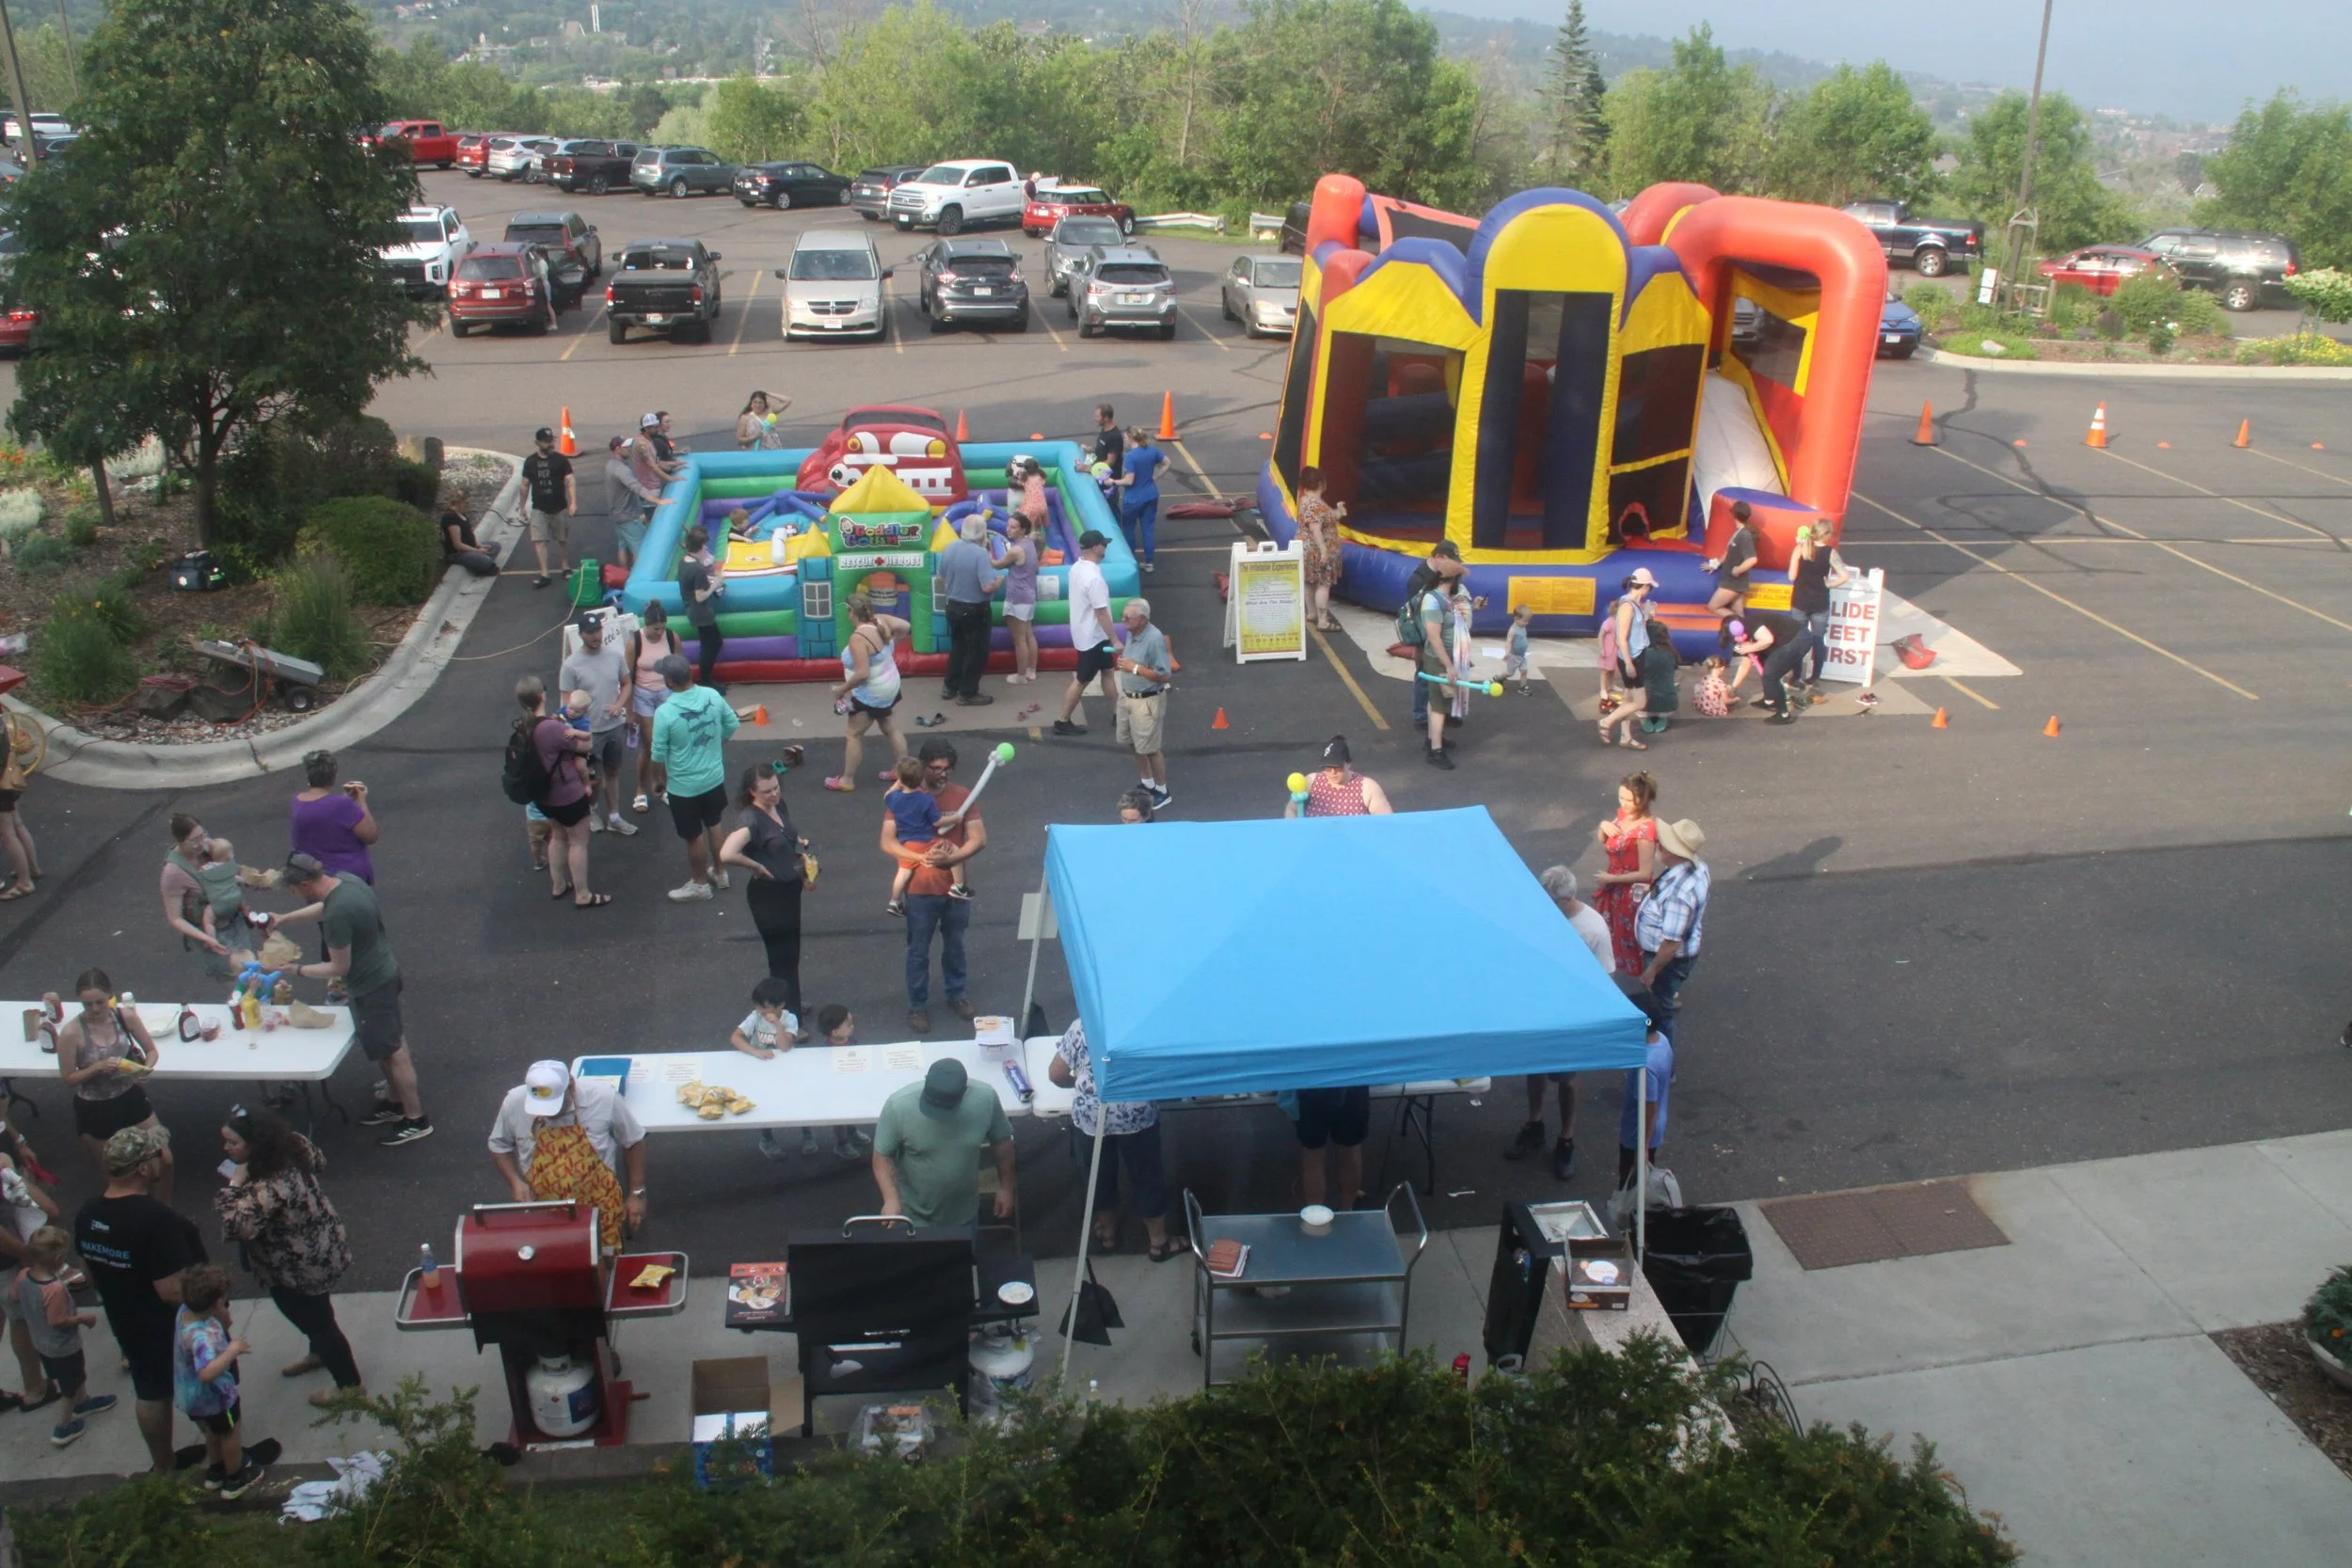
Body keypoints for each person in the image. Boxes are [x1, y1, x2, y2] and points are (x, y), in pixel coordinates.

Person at [74, 1123, 205, 1474]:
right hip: (166, 1323)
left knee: (149, 1392)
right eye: (157, 1153)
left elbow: (90, 1271)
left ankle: (163, 1466)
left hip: (124, 1318)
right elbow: (172, 1290)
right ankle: (226, 1457)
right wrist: (210, 1316)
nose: (164, 1157)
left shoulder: (89, 1214)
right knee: (201, 1388)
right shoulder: (157, 1219)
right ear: (143, 1168)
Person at [280, 851, 432, 1146]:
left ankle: (416, 1119)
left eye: (294, 889)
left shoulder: (339, 915)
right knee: (384, 1046)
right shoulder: (348, 884)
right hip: (382, 972)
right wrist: (284, 920)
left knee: (394, 1050)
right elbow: (323, 908)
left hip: (371, 985)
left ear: (306, 885)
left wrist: (295, 969)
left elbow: (338, 967)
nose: (295, 894)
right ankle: (395, 1100)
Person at [215, 1105, 358, 1408]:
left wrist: (234, 1185)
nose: (225, 1149)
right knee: (319, 1311)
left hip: (296, 1266)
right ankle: (319, 1352)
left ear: (254, 1145)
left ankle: (349, 1386)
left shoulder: (269, 1185)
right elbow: (319, 1160)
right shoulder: (291, 1147)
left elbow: (237, 1226)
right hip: (320, 1247)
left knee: (316, 1321)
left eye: (232, 1143)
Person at [1506, 867, 1615, 1179]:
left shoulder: (1593, 928)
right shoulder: (1539, 917)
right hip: (1539, 1008)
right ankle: (1535, 1123)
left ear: (1566, 899)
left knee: (1567, 1078)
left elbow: (1606, 976)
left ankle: (1566, 1138)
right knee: (1535, 1068)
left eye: (1549, 900)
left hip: (1572, 1014)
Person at [1048, 1020, 1183, 1259]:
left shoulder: (1083, 1025)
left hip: (1092, 1114)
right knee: (1146, 1175)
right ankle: (1158, 1242)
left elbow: (1056, 1074)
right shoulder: (1144, 1027)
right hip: (1136, 1113)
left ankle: (1108, 1233)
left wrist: (1079, 1084)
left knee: (1098, 1174)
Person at [488, 1061, 646, 1250]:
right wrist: (515, 1181)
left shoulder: (603, 1098)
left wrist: (637, 1193)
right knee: (554, 1262)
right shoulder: (514, 1103)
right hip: (544, 1211)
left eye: (554, 1106)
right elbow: (499, 1144)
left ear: (571, 1085)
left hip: (599, 1210)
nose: (547, 1114)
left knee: (602, 1266)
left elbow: (634, 1140)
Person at [886, 738, 985, 1035]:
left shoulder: (963, 796)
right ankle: (917, 1006)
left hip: (954, 892)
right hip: (920, 891)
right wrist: (924, 857)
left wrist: (952, 856)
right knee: (918, 951)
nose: (942, 774)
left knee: (955, 945)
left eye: (947, 768)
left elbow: (979, 839)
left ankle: (957, 994)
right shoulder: (905, 797)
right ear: (922, 767)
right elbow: (886, 841)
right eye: (935, 768)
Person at [55, 969, 168, 1195]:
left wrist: (145, 1068)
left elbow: (151, 1050)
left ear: (110, 995)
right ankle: (132, 1218)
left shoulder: (124, 1017)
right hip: (96, 1107)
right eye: (87, 1005)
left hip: (129, 1095)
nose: (95, 1009)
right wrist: (97, 1067)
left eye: (99, 1002)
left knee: (165, 1159)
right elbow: (68, 1078)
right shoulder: (71, 1033)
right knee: (115, 1174)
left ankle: (167, 1208)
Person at [871, 1059, 1015, 1231]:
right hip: (912, 1216)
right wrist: (891, 1199)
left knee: (963, 1258)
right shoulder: (898, 1106)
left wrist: (1006, 1187)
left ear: (964, 1092)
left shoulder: (986, 1099)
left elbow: (1003, 1144)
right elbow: (881, 1157)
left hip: (965, 1214)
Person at [10, 1226, 114, 1446]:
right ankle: (63, 1426)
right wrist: (83, 1319)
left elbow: (14, 1297)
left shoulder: (22, 1277)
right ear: (58, 1258)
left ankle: (83, 1401)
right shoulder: (54, 1289)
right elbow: (58, 1321)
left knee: (71, 1376)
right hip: (63, 1346)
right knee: (69, 1385)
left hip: (41, 1343)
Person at [649, 653, 739, 901]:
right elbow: (732, 724)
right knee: (714, 823)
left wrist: (658, 780)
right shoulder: (712, 695)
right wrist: (717, 743)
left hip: (683, 785)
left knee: (693, 836)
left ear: (669, 682)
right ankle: (720, 872)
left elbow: (658, 753)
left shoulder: (665, 713)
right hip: (713, 777)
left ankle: (700, 884)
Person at [719, 764, 809, 1004]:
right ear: (752, 792)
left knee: (792, 955)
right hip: (769, 896)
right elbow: (726, 854)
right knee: (781, 958)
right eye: (767, 791)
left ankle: (792, 1001)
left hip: (790, 889)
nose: (775, 794)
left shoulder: (778, 805)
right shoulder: (751, 820)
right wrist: (755, 866)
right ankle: (789, 1016)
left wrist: (797, 841)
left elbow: (782, 832)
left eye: (776, 787)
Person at [516, 674, 608, 909]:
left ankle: (558, 885)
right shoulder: (552, 727)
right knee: (578, 842)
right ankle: (583, 894)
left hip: (543, 796)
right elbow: (586, 746)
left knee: (557, 836)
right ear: (541, 696)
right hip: (567, 793)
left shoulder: (523, 726)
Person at [173, 1263, 263, 1497]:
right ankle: (235, 1478)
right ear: (216, 1304)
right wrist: (233, 1350)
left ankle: (215, 1471)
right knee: (230, 1433)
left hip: (191, 1397)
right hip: (217, 1399)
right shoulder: (203, 1336)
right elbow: (207, 1372)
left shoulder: (184, 1311)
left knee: (212, 1433)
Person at [825, 592, 911, 792]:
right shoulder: (881, 621)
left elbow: (862, 673)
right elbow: (906, 627)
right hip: (890, 684)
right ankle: (902, 771)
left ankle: (847, 780)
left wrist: (841, 690)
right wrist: (889, 649)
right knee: (890, 727)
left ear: (850, 612)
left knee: (853, 734)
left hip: (872, 692)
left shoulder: (858, 638)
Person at [561, 613, 636, 835]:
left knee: (613, 772)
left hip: (613, 726)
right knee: (593, 777)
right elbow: (567, 702)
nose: (596, 636)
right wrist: (576, 729)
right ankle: (591, 809)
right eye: (590, 632)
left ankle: (614, 816)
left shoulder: (615, 656)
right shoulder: (571, 666)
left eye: (598, 631)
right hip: (588, 732)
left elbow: (626, 684)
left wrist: (619, 705)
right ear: (581, 634)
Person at [1634, 816, 1709, 1037]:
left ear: (1675, 852)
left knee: (1659, 1009)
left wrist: (1651, 972)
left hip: (1667, 960)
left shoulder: (1679, 896)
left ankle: (1662, 1060)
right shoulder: (1697, 868)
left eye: (1663, 844)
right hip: (1683, 951)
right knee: (1663, 1000)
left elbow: (1671, 943)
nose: (1658, 844)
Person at [160, 814, 256, 981]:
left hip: (235, 923)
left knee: (253, 973)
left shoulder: (208, 847)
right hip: (212, 933)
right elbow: (175, 919)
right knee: (237, 983)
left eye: (202, 835)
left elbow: (226, 861)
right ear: (180, 840)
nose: (201, 843)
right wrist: (207, 938)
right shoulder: (173, 873)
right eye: (194, 840)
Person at [1591, 772, 1659, 975]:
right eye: (1622, 798)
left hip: (1630, 894)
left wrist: (1613, 879)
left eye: (1630, 799)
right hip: (1613, 888)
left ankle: (1655, 979)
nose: (1625, 803)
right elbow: (1606, 840)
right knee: (1614, 935)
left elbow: (1645, 873)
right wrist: (1603, 825)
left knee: (1635, 938)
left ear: (1643, 799)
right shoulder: (1622, 815)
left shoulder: (1646, 830)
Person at [1051, 530, 1118, 736]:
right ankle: (1062, 720)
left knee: (1108, 671)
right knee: (1082, 680)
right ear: (1096, 547)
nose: (1105, 548)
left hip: (1084, 632)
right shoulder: (1094, 578)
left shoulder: (1077, 568)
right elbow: (1101, 613)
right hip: (1094, 637)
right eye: (1104, 544)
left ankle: (1119, 713)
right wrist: (1115, 639)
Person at [885, 754, 969, 913]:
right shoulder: (925, 799)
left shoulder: (893, 798)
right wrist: (956, 818)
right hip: (924, 841)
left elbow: (887, 794)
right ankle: (959, 885)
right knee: (955, 851)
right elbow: (937, 822)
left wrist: (898, 783)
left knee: (903, 873)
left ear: (900, 778)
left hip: (906, 843)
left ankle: (894, 901)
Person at [938, 512, 1004, 705]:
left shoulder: (950, 548)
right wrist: (999, 581)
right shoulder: (980, 554)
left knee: (958, 646)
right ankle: (967, 692)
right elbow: (987, 586)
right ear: (982, 533)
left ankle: (950, 686)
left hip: (953, 606)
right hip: (975, 609)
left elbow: (941, 577)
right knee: (976, 651)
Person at [1113, 596, 1172, 811]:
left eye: (1128, 617)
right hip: (1127, 697)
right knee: (1133, 742)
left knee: (1150, 748)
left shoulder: (1154, 639)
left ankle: (1163, 791)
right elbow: (1132, 662)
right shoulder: (1132, 632)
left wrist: (1134, 669)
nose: (1123, 620)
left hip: (1146, 702)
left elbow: (1164, 674)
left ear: (1143, 619)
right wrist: (1124, 665)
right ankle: (1147, 782)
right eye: (1123, 616)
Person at [1410, 548, 1466, 769]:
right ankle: (1435, 750)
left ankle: (1435, 740)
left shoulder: (1445, 598)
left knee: (1441, 703)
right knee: (1439, 705)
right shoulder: (1433, 601)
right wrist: (1449, 665)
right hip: (1438, 660)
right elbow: (1434, 637)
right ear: (1453, 579)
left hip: (1444, 658)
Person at [289, 749, 377, 886]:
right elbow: (371, 835)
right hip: (348, 881)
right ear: (333, 776)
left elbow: (324, 813)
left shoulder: (297, 802)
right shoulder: (342, 806)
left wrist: (345, 801)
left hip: (316, 882)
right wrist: (361, 800)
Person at [1616, 989, 1674, 1195]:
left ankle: (1625, 1216)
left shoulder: (1645, 1065)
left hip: (1637, 1133)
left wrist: (1643, 1146)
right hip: (1655, 1127)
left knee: (1630, 1180)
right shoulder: (1663, 1042)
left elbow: (1649, 1106)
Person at [628, 603, 684, 813]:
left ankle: (664, 785)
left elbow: (681, 668)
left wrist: (683, 698)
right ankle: (641, 788)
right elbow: (627, 677)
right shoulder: (635, 641)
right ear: (646, 625)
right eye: (655, 629)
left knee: (668, 743)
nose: (660, 632)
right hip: (644, 695)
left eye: (663, 628)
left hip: (667, 693)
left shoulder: (672, 638)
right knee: (650, 744)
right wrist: (630, 709)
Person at [1786, 521, 1851, 694]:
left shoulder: (1800, 549)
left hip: (1800, 600)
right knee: (1818, 640)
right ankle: (1815, 677)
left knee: (1797, 640)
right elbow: (1845, 576)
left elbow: (1792, 576)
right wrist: (1830, 584)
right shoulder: (1831, 553)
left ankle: (1796, 676)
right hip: (1820, 602)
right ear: (1826, 534)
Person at [1723, 611, 1815, 724]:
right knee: (1764, 662)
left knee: (1771, 675)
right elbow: (1745, 665)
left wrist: (1750, 647)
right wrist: (1733, 688)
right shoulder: (1744, 634)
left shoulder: (1751, 623)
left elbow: (1768, 640)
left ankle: (1784, 714)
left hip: (1798, 638)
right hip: (1790, 638)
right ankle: (1769, 700)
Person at [1286, 1085, 1369, 1209]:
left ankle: (1316, 1217)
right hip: (1351, 1081)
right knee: (1349, 1151)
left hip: (1310, 1085)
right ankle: (1347, 1211)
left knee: (1313, 1156)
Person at [521, 424, 577, 589]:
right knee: (539, 541)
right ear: (537, 443)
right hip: (539, 508)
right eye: (546, 442)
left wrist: (573, 502)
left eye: (551, 440)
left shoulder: (560, 460)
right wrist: (522, 505)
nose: (550, 444)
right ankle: (545, 573)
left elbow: (570, 480)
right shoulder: (530, 462)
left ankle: (565, 566)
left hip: (559, 507)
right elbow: (525, 484)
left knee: (562, 539)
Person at [1285, 734, 1392, 817]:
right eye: (1327, 767)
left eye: (1337, 767)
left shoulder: (1368, 788)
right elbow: (1292, 810)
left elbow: (1386, 820)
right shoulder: (1310, 782)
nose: (1332, 772)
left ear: (1348, 764)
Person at [1295, 467, 1345, 632]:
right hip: (1317, 551)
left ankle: (1312, 613)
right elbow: (1316, 528)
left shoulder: (1304, 500)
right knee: (1323, 584)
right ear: (1320, 483)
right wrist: (1324, 550)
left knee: (1309, 582)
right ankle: (1323, 620)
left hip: (1304, 548)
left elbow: (1325, 518)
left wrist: (1338, 511)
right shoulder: (1316, 505)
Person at [1598, 568, 1657, 712]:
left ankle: (1625, 734)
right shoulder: (1627, 606)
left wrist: (1649, 616)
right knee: (1640, 702)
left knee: (1629, 696)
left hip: (1635, 655)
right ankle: (1607, 722)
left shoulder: (1634, 604)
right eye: (1650, 588)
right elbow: (1621, 638)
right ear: (1645, 587)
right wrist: (1629, 663)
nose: (1649, 591)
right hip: (1633, 657)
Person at [677, 523, 727, 690]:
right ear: (700, 547)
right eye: (704, 545)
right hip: (701, 611)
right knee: (713, 644)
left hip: (692, 609)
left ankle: (706, 678)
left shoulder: (684, 561)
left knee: (710, 643)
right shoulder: (697, 569)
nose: (706, 548)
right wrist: (716, 583)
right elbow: (700, 596)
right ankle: (705, 679)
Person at [604, 437, 661, 571]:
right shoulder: (622, 470)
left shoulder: (610, 465)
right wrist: (658, 500)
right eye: (626, 447)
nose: (629, 449)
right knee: (640, 549)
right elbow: (637, 487)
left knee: (622, 545)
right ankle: (638, 576)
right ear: (617, 449)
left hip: (617, 514)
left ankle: (624, 575)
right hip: (628, 516)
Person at [1116, 426, 1168, 573]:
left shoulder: (1131, 457)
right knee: (1148, 529)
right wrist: (1156, 476)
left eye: (1126, 437)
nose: (1125, 440)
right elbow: (1167, 462)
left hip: (1133, 499)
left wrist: (1113, 482)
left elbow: (1129, 481)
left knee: (1129, 529)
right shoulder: (1152, 451)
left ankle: (1130, 562)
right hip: (1151, 495)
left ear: (1132, 438)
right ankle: (1149, 562)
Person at [0, 711, 39, 901]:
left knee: (7, 834)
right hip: (9, 779)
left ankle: (24, 883)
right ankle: (32, 868)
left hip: (0, 784)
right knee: (17, 825)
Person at [1000, 512, 1042, 686]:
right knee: (1028, 634)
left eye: (1013, 527)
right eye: (1008, 525)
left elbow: (996, 564)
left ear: (1023, 529)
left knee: (1019, 639)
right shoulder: (1030, 544)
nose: (1008, 529)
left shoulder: (1016, 549)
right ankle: (1031, 670)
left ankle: (1021, 675)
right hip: (1029, 594)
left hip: (1017, 596)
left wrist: (986, 553)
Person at [1703, 500, 1758, 624]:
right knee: (1738, 612)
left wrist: (1738, 570)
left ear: (1734, 515)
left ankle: (1744, 625)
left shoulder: (1744, 535)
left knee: (1713, 607)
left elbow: (1752, 559)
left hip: (1733, 583)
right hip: (1733, 581)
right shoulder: (1738, 533)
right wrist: (1715, 564)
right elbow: (1728, 552)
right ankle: (1746, 630)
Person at [438, 486, 500, 578]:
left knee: (496, 545)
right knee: (486, 561)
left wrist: (479, 545)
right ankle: (482, 562)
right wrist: (477, 551)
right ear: (459, 503)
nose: (468, 505)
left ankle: (482, 558)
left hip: (471, 547)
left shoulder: (462, 515)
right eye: (466, 502)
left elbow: (470, 534)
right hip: (459, 553)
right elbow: (458, 544)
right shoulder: (451, 518)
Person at [644, 409, 689, 476]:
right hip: (663, 476)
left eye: (670, 421)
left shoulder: (663, 436)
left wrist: (679, 452)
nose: (669, 424)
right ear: (659, 424)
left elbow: (666, 452)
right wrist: (675, 466)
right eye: (667, 422)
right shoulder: (657, 441)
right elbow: (658, 462)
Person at [1503, 604, 1533, 693]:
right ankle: (1498, 678)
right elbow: (1508, 642)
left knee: (1524, 671)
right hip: (1513, 656)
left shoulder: (1522, 627)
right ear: (1516, 618)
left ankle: (1522, 687)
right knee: (1510, 673)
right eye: (1525, 621)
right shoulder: (1513, 630)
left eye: (1528, 621)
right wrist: (1507, 653)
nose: (1527, 623)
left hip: (1522, 655)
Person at [1090, 404, 1124, 476]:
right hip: (1098, 474)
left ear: (1106, 418)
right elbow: (1102, 450)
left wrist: (1089, 469)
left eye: (1097, 417)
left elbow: (1110, 462)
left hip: (1108, 479)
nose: (1095, 419)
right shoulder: (1105, 429)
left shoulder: (1114, 436)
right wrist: (1090, 450)